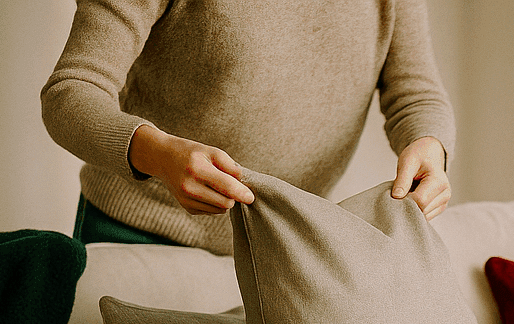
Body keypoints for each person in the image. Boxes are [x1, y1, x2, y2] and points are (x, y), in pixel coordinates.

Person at [41, 0, 456, 253]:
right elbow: (72, 92)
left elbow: (414, 91)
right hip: (138, 231)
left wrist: (430, 149)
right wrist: (160, 155)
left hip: (287, 241)